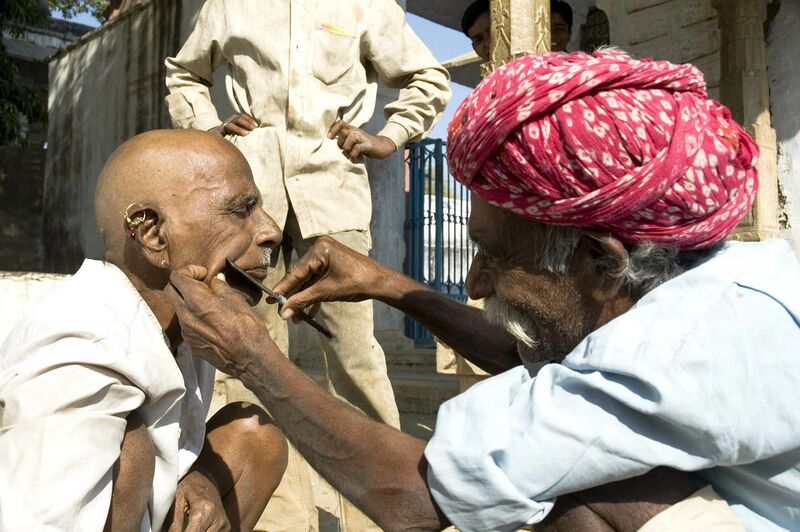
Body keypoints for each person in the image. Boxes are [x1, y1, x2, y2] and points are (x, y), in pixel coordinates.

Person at [166, 50, 800, 530]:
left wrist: (252, 354)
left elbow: (413, 495)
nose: (472, 283)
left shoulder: (678, 353)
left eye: (495, 257)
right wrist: (389, 285)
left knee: (581, 492)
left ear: (601, 263)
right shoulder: (706, 287)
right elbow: (570, 376)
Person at [164, 2, 451, 527]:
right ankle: (276, 515)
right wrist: (209, 128)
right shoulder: (228, 5)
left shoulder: (367, 5)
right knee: (251, 352)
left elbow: (427, 77)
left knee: (355, 356)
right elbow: (183, 73)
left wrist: (390, 135)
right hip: (249, 200)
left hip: (332, 194)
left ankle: (384, 511)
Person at [0, 130, 288, 530]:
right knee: (133, 449)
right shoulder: (81, 356)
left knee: (256, 436)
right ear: (152, 234)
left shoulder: (184, 318)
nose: (271, 230)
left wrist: (200, 479)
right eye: (242, 210)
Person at [463, 0, 573, 61]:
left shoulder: (575, 69)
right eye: (479, 39)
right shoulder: (484, 88)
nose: (488, 43)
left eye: (494, 32)